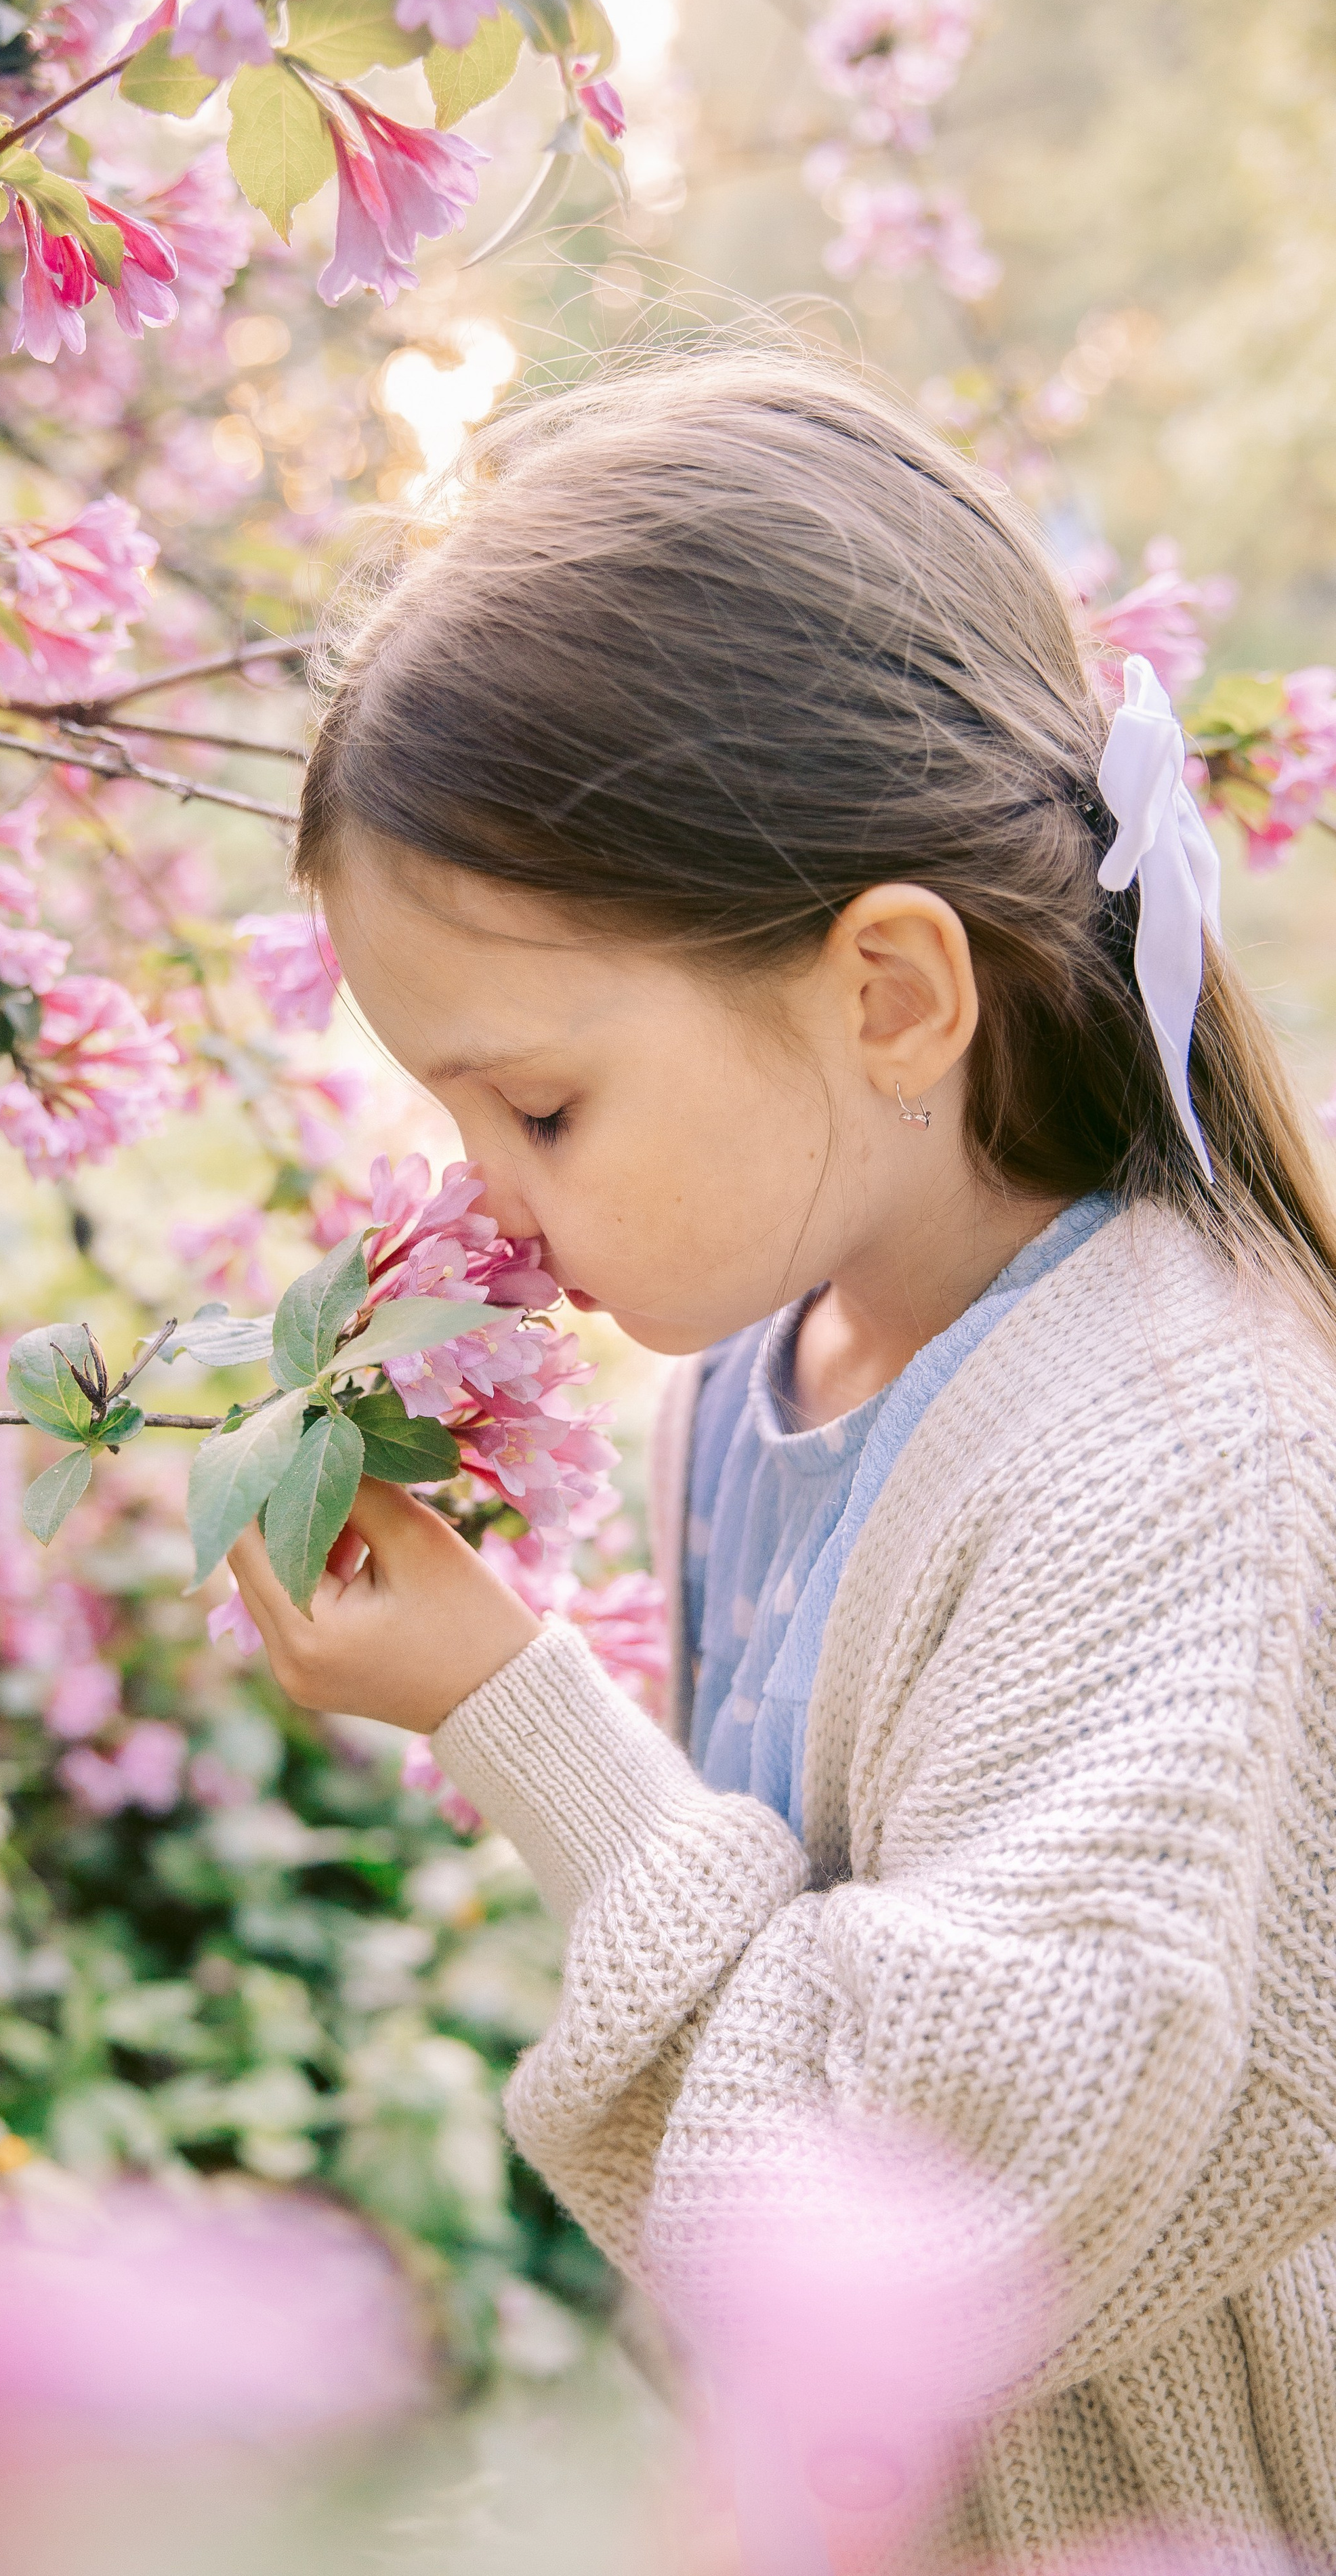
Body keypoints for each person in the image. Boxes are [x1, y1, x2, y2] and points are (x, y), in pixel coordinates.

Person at [222, 352, 1336, 2570]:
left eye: (537, 1109)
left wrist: (519, 1717)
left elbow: (937, 2196)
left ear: (895, 995)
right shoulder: (755, 1377)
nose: (486, 1201)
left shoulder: (1178, 1458)